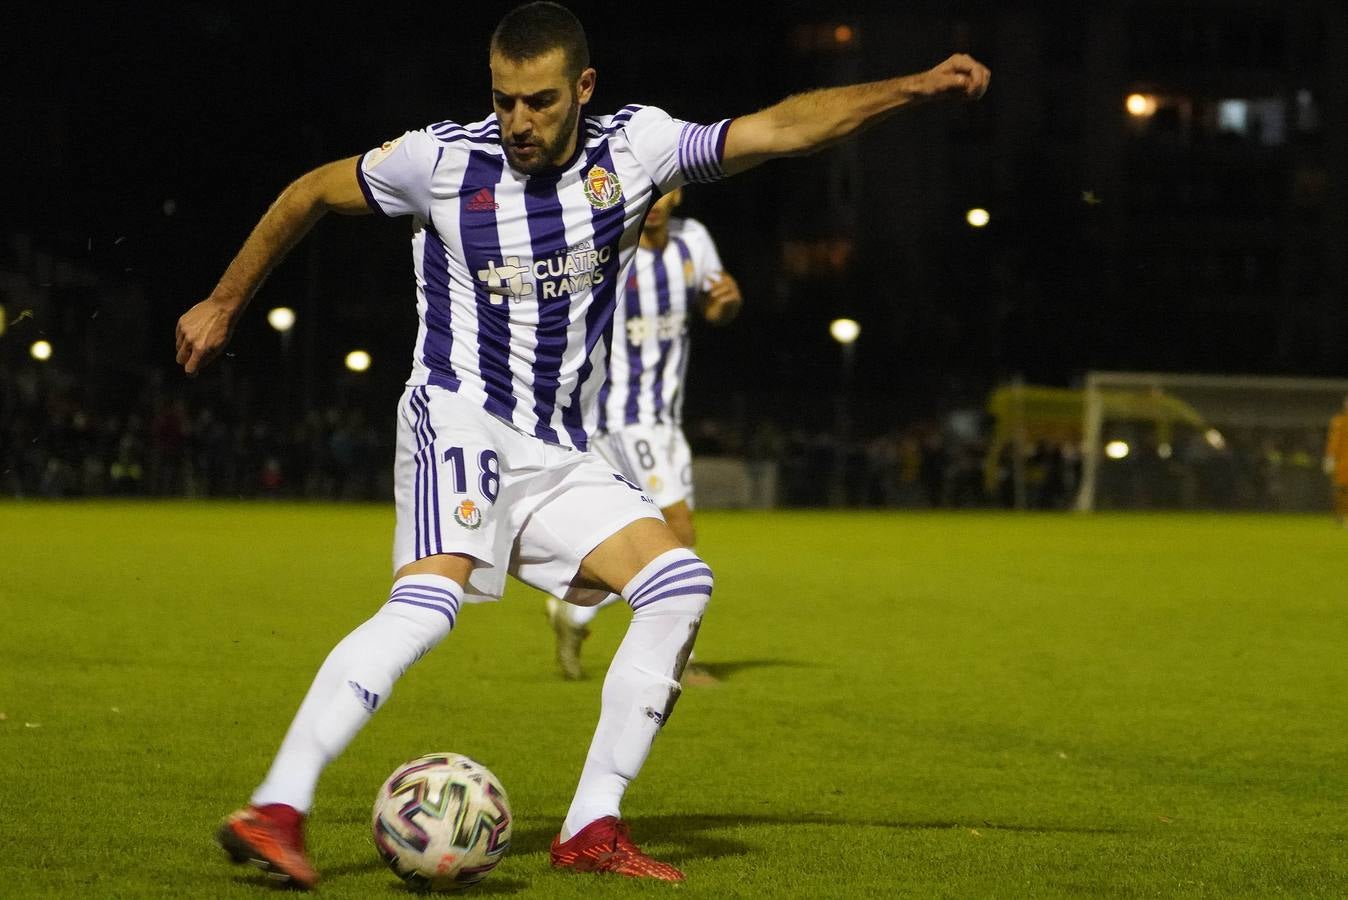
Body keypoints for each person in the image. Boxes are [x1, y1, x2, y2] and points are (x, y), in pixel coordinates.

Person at [175, 1, 989, 887]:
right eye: (504, 99)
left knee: (679, 583)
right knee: (428, 607)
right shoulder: (441, 161)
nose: (517, 121)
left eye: (539, 101)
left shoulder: (636, 150)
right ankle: (278, 804)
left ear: (584, 88)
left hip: (562, 448)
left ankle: (591, 826)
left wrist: (911, 87)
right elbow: (307, 193)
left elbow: (784, 129)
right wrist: (225, 300)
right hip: (459, 411)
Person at [546, 187, 740, 681]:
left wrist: (728, 302)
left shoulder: (693, 239)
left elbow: (716, 309)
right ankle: (677, 659)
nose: (656, 198)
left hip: (666, 420)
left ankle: (575, 610)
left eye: (667, 187)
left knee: (658, 535)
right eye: (648, 187)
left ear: (678, 194)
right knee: (679, 532)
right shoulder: (610, 246)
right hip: (621, 416)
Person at [1324, 395, 1348, 526]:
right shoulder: (1338, 421)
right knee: (1340, 490)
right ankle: (1340, 516)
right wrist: (1330, 459)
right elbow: (1333, 442)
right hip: (1342, 462)